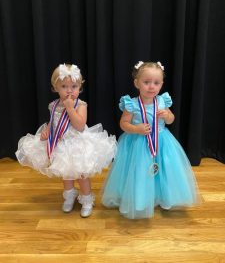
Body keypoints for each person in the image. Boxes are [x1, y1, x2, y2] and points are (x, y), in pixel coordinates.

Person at [102, 61, 200, 219]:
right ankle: (140, 199)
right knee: (140, 171)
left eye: (156, 83)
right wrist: (136, 129)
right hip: (138, 143)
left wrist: (168, 116)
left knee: (164, 169)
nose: (151, 87)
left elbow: (171, 120)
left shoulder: (162, 101)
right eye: (146, 82)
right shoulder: (131, 104)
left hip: (161, 141)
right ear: (137, 83)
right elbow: (123, 124)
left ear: (161, 84)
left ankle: (164, 197)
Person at [16, 63, 116, 217]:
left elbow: (80, 125)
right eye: (64, 86)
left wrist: (70, 109)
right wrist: (47, 130)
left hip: (78, 145)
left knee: (82, 175)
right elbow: (53, 122)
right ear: (55, 87)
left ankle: (87, 199)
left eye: (74, 86)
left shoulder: (80, 105)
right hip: (60, 145)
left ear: (79, 88)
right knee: (66, 175)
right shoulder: (54, 105)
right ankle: (69, 196)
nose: (69, 90)